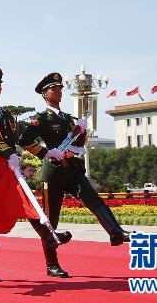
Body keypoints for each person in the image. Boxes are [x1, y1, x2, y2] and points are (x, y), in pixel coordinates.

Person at [0, 67, 72, 280]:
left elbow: (17, 138)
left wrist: (23, 154)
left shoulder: (7, 114)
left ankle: (51, 253)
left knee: (32, 208)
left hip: (9, 165)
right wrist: (8, 152)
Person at [19, 72, 131, 247]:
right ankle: (52, 264)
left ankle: (115, 232)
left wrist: (82, 132)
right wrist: (47, 153)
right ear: (44, 94)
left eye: (60, 88)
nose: (58, 91)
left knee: (94, 199)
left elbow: (79, 144)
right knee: (51, 220)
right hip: (53, 173)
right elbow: (24, 140)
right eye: (53, 89)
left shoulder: (68, 119)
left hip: (72, 169)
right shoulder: (41, 118)